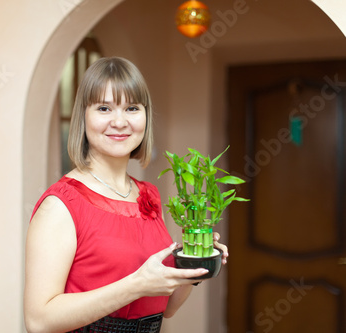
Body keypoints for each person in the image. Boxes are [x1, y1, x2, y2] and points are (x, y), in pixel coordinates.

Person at [24, 56, 228, 333]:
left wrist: (194, 263)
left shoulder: (148, 195)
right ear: (83, 116)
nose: (119, 122)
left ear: (145, 116)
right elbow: (39, 321)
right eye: (104, 108)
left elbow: (166, 308)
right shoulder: (61, 205)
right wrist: (136, 285)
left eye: (132, 108)